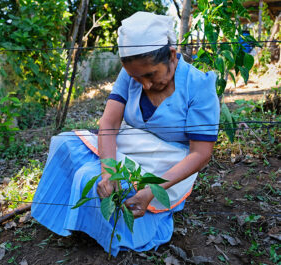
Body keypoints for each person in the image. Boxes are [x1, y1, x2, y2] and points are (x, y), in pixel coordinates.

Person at [31, 12, 220, 256]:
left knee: (95, 179)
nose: (145, 85)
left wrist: (152, 190)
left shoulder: (199, 86)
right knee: (66, 145)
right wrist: (109, 171)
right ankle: (79, 217)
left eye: (151, 75)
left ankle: (112, 221)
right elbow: (109, 124)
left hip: (166, 165)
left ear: (172, 55)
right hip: (129, 147)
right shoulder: (131, 74)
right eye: (136, 78)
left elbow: (201, 154)